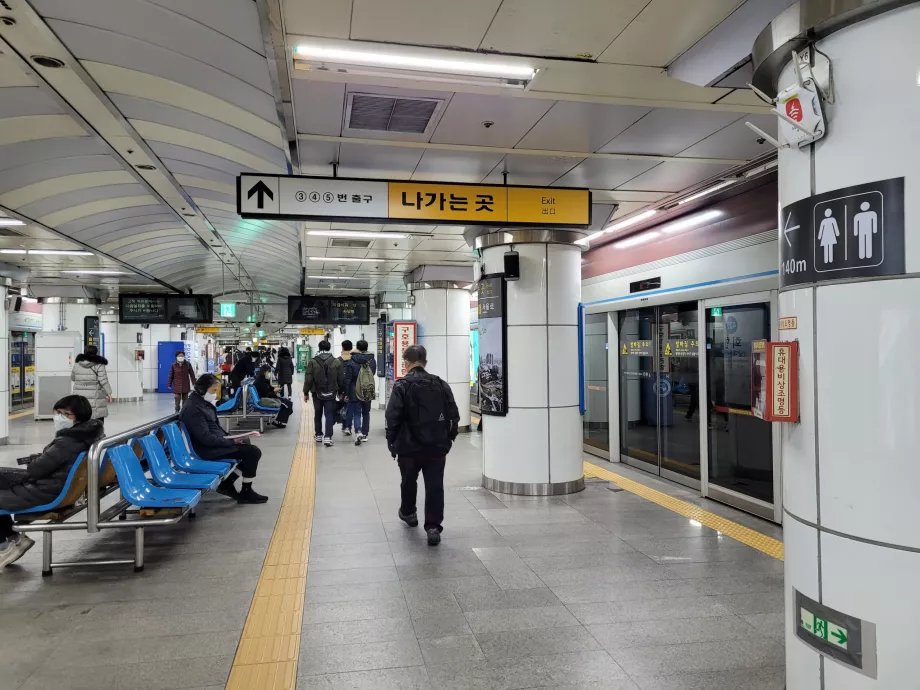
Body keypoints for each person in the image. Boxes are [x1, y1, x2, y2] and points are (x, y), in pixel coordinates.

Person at [0, 395, 103, 568]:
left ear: (79, 416)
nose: (60, 418)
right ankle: (13, 538)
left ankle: (7, 544)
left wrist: (35, 461)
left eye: (67, 414)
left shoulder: (68, 441)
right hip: (56, 485)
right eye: (59, 413)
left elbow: (36, 470)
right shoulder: (88, 435)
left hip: (46, 490)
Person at [385, 344, 459, 546]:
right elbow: (454, 415)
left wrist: (392, 441)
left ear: (406, 362)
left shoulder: (401, 386)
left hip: (409, 448)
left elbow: (392, 417)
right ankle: (433, 527)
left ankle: (409, 513)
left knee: (408, 480)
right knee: (435, 485)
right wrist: (448, 439)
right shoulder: (441, 384)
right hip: (436, 447)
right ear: (425, 362)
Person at [179, 374, 268, 504]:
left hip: (215, 444)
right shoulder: (193, 409)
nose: (215, 394)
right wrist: (231, 441)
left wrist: (233, 437)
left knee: (246, 443)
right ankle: (246, 492)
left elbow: (214, 429)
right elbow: (205, 438)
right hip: (207, 450)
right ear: (202, 390)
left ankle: (227, 483)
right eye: (213, 391)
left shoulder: (202, 404)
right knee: (253, 452)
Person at [303, 340, 338, 446]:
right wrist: (342, 392)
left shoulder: (312, 361)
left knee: (318, 414)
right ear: (329, 348)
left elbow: (308, 379)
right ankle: (328, 437)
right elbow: (341, 378)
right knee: (329, 415)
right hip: (331, 392)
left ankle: (318, 435)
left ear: (319, 348)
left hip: (316, 392)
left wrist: (305, 392)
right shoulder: (336, 361)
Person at [344, 339, 377, 445]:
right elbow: (373, 373)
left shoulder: (352, 360)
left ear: (357, 348)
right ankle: (365, 434)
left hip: (355, 390)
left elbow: (348, 379)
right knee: (366, 413)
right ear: (367, 347)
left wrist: (346, 393)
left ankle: (358, 432)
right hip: (368, 388)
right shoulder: (372, 360)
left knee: (357, 412)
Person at [71, 345, 112, 428]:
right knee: (96, 418)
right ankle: (96, 437)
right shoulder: (99, 365)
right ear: (95, 352)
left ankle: (82, 437)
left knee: (81, 418)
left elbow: (73, 378)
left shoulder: (77, 364)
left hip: (80, 396)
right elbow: (103, 380)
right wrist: (109, 392)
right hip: (95, 395)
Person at [254, 364, 293, 428]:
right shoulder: (260, 381)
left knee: (289, 403)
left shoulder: (263, 379)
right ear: (265, 372)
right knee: (287, 405)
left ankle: (281, 419)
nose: (270, 374)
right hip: (266, 399)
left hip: (269, 397)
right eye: (269, 372)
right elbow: (266, 394)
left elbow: (269, 388)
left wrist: (274, 389)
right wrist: (274, 391)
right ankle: (278, 421)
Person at [336, 340, 353, 436]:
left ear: (342, 347)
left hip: (341, 387)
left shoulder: (338, 360)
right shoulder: (354, 359)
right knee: (350, 406)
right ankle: (348, 426)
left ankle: (344, 425)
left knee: (343, 405)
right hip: (352, 387)